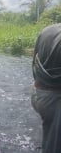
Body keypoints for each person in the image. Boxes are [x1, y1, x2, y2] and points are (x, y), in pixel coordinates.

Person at [31, 23, 61, 153]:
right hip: (55, 99)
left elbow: (34, 65)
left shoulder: (47, 30)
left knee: (49, 138)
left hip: (38, 94)